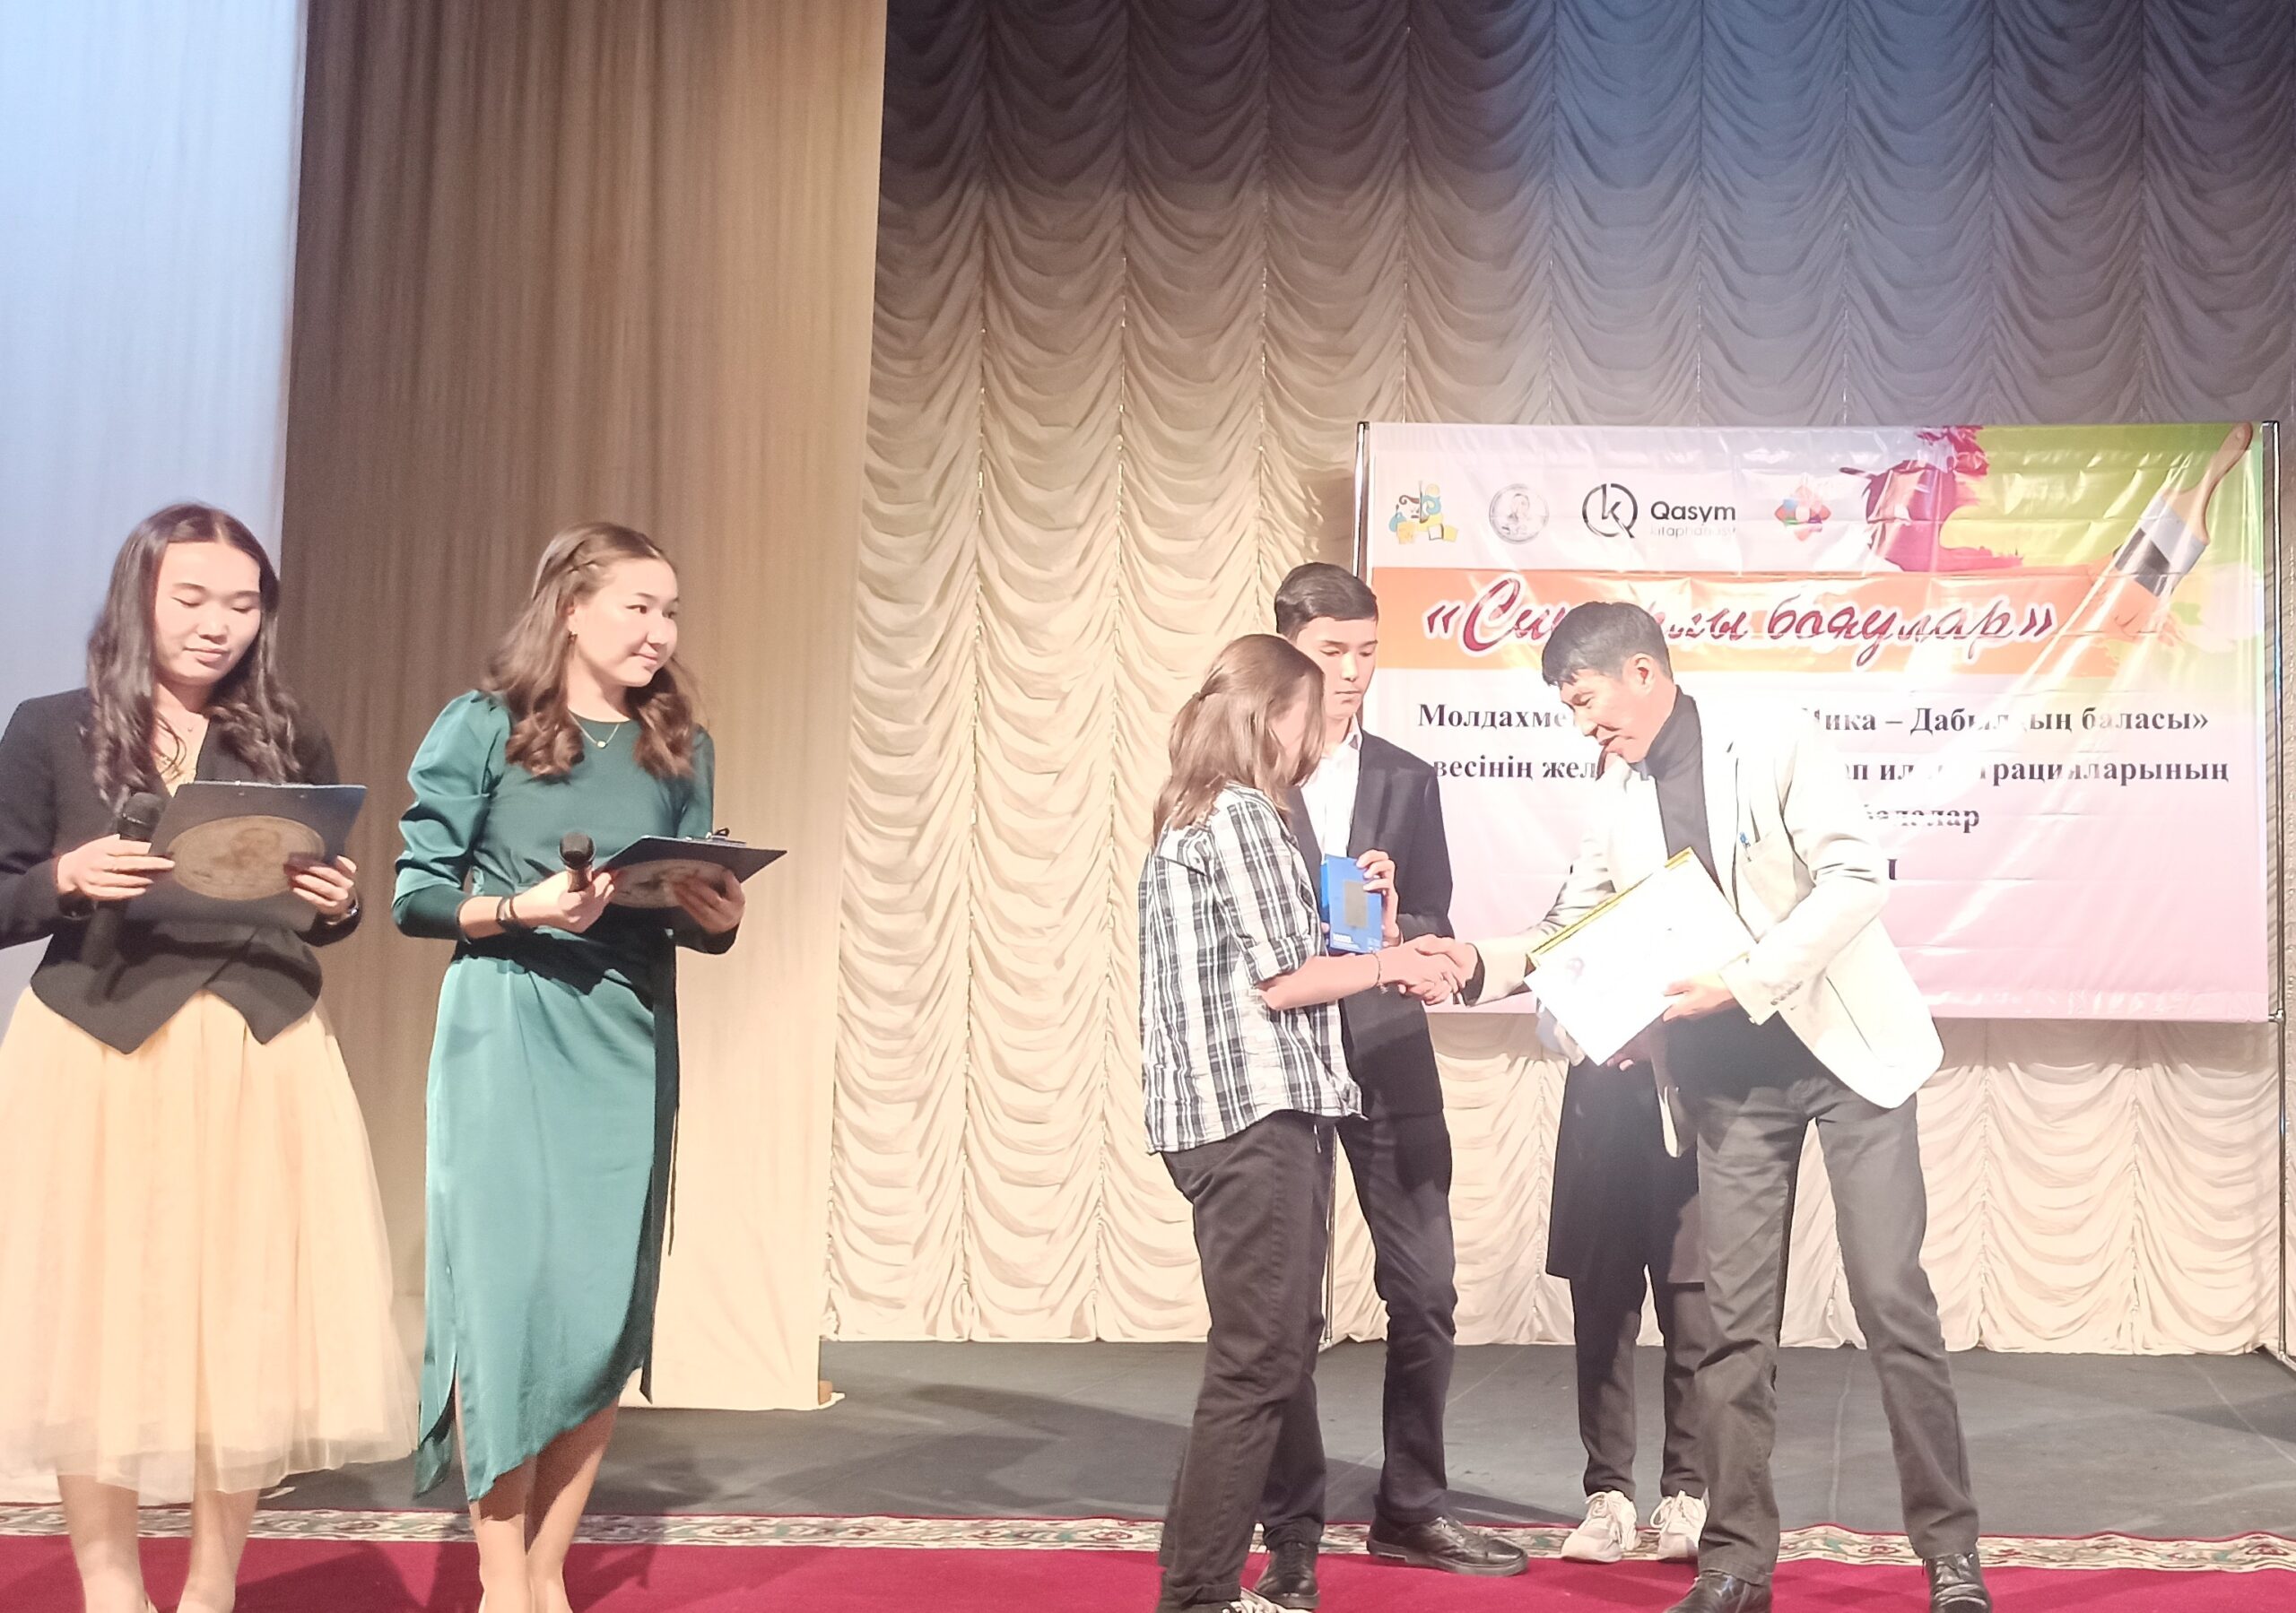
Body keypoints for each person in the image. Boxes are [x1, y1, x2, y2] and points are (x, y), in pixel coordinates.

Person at [1412, 602, 1987, 1613]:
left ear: (1642, 672)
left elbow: (1856, 877)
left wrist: (1744, 979)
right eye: (1569, 709)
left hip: (1849, 1056)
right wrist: (1474, 963)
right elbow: (1570, 926)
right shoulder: (1618, 794)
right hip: (1729, 1083)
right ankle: (1734, 1562)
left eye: (1586, 700)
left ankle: (1949, 1552)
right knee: (1731, 1326)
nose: (1584, 726)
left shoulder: (1773, 738)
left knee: (1890, 1297)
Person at [0, 503, 413, 1613]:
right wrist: (64, 878)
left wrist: (336, 900)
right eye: (190, 597)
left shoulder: (285, 734)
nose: (215, 623)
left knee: (246, 1317)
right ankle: (110, 1586)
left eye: (240, 603)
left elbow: (319, 904)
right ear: (138, 597)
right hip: (101, 1046)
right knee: (96, 1319)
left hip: (254, 1044)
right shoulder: (51, 728)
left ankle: (211, 1587)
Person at [396, 522, 744, 1613]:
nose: (660, 631)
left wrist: (716, 915)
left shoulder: (678, 745)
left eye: (671, 611)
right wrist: (521, 907)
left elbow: (689, 903)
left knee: (599, 1304)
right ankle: (502, 1579)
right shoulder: (482, 725)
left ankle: (547, 1569)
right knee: (506, 1298)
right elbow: (416, 894)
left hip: (625, 1028)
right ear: (571, 608)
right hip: (507, 1018)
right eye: (639, 606)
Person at [1137, 634, 1461, 1613]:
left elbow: (1275, 953)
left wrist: (1372, 924)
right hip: (1254, 1114)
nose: (1318, 738)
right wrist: (1393, 963)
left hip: (1222, 1118)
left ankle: (1200, 1576)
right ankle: (1199, 1590)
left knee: (1262, 1349)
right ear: (1272, 715)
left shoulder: (1198, 809)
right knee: (1260, 1360)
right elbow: (1284, 981)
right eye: (1310, 716)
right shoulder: (1241, 812)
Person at [1253, 565, 1526, 1609]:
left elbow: (1434, 924)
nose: (1353, 671)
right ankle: (1291, 1530)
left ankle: (1411, 1505)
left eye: (1368, 650)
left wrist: (1400, 910)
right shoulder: (1244, 777)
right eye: (1333, 651)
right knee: (1287, 1308)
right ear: (1287, 647)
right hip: (1281, 1059)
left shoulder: (1407, 776)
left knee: (1425, 1289)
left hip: (1386, 1051)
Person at [1551, 1053, 1709, 1565]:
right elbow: (1552, 1018)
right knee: (1601, 1321)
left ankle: (1686, 1493)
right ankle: (1608, 1494)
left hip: (1688, 1103)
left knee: (1693, 1324)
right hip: (1600, 1114)